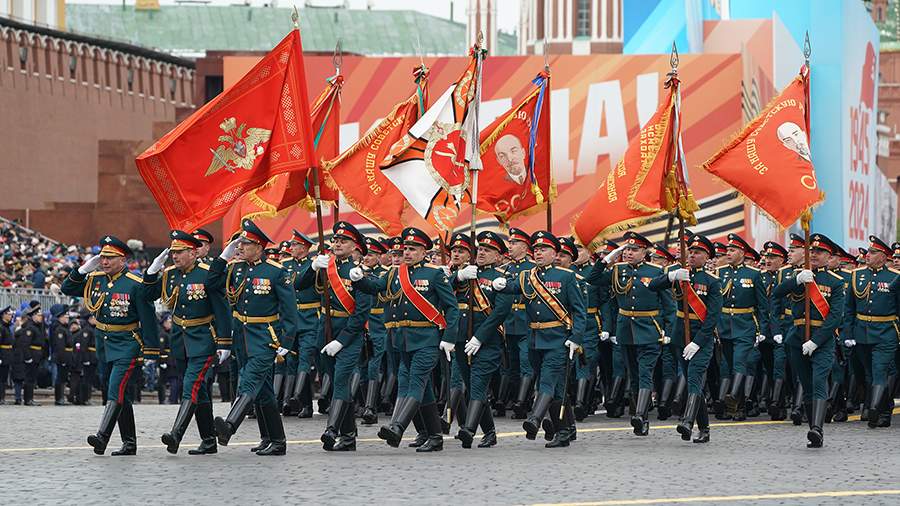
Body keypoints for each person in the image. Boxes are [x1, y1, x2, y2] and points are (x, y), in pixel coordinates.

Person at [352, 227, 460, 452]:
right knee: (420, 387)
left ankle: (398, 426)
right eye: (405, 249)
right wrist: (359, 279)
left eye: (413, 249)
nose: (407, 253)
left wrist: (449, 337)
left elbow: (451, 307)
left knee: (417, 380)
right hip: (401, 339)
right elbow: (376, 287)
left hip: (427, 338)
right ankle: (433, 435)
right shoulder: (394, 273)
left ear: (423, 251)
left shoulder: (434, 274)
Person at [61, 236, 160, 455]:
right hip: (104, 344)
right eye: (102, 257)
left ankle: (102, 437)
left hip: (127, 344)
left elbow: (149, 317)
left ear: (123, 260)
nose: (104, 262)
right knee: (118, 393)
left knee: (116, 389)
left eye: (109, 258)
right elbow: (67, 288)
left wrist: (152, 350)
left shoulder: (135, 283)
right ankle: (130, 443)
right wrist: (84, 268)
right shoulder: (96, 279)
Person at [208, 220, 299, 456]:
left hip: (265, 338)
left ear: (258, 246)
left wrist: (286, 343)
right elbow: (211, 285)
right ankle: (275, 440)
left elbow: (289, 311)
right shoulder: (236, 268)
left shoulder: (276, 271)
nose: (240, 247)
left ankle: (229, 426)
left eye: (245, 243)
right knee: (264, 389)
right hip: (242, 336)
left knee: (249, 380)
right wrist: (222, 258)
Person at [493, 230, 586, 447]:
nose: (538, 253)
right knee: (557, 385)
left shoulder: (566, 276)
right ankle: (566, 430)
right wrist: (500, 285)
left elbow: (579, 311)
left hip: (557, 339)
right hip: (534, 338)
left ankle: (535, 418)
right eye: (535, 249)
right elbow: (515, 287)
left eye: (543, 249)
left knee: (547, 381)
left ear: (555, 254)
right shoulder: (528, 276)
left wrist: (576, 337)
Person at [145, 230, 231, 455]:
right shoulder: (170, 274)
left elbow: (222, 310)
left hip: (203, 338)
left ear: (193, 253)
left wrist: (224, 342)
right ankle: (209, 440)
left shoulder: (207, 274)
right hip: (180, 340)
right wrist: (152, 272)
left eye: (180, 252)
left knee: (190, 385)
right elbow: (148, 295)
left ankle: (176, 434)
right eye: (173, 252)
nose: (175, 256)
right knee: (199, 390)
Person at [588, 231, 674, 436]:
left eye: (634, 249)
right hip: (625, 329)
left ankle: (640, 415)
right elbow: (592, 278)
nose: (628, 253)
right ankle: (640, 413)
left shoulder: (656, 271)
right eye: (626, 249)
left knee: (645, 372)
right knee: (633, 374)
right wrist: (607, 259)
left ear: (644, 252)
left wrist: (669, 330)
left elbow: (669, 305)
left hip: (649, 328)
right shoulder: (618, 270)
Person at [297, 221, 372, 451]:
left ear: (355, 246)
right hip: (325, 330)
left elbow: (361, 314)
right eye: (336, 240)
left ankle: (331, 429)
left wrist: (342, 341)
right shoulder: (324, 265)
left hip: (349, 334)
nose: (338, 244)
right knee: (335, 379)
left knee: (340, 380)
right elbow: (299, 285)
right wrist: (312, 267)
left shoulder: (358, 273)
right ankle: (348, 436)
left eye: (344, 241)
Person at [772, 233, 844, 448]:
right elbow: (776, 293)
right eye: (811, 251)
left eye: (819, 252)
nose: (814, 255)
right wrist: (796, 280)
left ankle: (817, 429)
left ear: (828, 256)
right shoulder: (798, 275)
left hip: (822, 340)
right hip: (796, 338)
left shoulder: (835, 282)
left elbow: (834, 317)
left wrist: (816, 341)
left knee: (819, 381)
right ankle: (812, 425)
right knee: (806, 384)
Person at [649, 233, 722, 443]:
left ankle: (688, 421)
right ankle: (705, 429)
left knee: (694, 379)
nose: (692, 255)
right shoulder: (680, 273)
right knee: (693, 381)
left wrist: (698, 343)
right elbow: (652, 286)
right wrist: (670, 277)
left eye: (697, 252)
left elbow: (712, 318)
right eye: (690, 251)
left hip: (702, 338)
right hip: (680, 336)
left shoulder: (713, 282)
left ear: (707, 256)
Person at [455, 231, 513, 448]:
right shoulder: (467, 273)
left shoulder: (501, 277)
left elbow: (500, 312)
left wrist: (479, 337)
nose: (481, 252)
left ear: (498, 256)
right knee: (471, 385)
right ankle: (489, 431)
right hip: (463, 338)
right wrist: (459, 277)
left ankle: (469, 429)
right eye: (480, 249)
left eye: (488, 250)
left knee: (478, 384)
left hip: (487, 340)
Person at [843, 235, 900, 429]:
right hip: (861, 332)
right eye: (868, 251)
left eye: (873, 252)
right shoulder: (856, 275)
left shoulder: (894, 277)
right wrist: (848, 334)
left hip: (886, 332)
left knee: (879, 370)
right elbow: (849, 309)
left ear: (884, 257)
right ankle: (884, 407)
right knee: (869, 373)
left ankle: (876, 411)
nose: (868, 255)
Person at [716, 234, 769, 421]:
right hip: (724, 325)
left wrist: (761, 330)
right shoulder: (720, 273)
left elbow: (762, 305)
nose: (728, 253)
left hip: (745, 325)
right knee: (729, 364)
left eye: (732, 250)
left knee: (740, 362)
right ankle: (737, 407)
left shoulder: (754, 275)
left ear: (742, 253)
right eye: (728, 250)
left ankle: (732, 398)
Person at [282, 230, 320, 418]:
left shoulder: (313, 266)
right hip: (291, 319)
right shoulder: (285, 265)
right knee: (291, 360)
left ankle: (299, 398)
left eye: (295, 245)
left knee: (305, 359)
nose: (291, 248)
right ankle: (296, 402)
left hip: (310, 317)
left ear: (304, 248)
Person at [503, 228, 535, 419]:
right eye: (510, 243)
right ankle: (515, 399)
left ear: (524, 247)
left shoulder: (531, 267)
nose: (510, 247)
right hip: (510, 322)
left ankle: (523, 402)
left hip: (525, 321)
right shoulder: (508, 268)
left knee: (526, 363)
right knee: (511, 365)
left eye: (514, 244)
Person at [759, 241, 790, 421]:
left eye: (772, 257)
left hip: (782, 326)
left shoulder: (785, 276)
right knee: (768, 366)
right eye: (767, 257)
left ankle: (778, 402)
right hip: (766, 328)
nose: (768, 260)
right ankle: (773, 396)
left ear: (782, 260)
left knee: (781, 366)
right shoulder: (760, 277)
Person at [360, 236, 389, 425]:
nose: (366, 258)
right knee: (362, 366)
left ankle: (372, 406)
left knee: (375, 364)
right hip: (362, 321)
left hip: (379, 322)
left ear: (379, 256)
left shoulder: (385, 273)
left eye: (371, 254)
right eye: (365, 254)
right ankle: (363, 404)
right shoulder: (357, 272)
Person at [13, 302, 46, 406]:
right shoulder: (30, 328)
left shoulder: (37, 327)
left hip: (36, 355)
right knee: (29, 379)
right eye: (39, 315)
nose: (41, 318)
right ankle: (28, 399)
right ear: (33, 316)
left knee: (32, 378)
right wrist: (28, 358)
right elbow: (25, 344)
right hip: (31, 355)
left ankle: (30, 398)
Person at [49, 304, 74, 405]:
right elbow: (60, 347)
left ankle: (61, 397)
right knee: (60, 378)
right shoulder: (59, 329)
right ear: (60, 317)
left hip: (66, 356)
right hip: (62, 357)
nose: (67, 319)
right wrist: (63, 360)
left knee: (63, 378)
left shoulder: (64, 328)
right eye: (65, 317)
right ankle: (59, 398)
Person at [0, 306, 13, 404]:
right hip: (2, 354)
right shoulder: (1, 327)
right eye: (9, 314)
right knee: (1, 378)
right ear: (3, 315)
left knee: (4, 378)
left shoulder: (6, 326)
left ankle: (2, 397)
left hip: (7, 354)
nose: (11, 316)